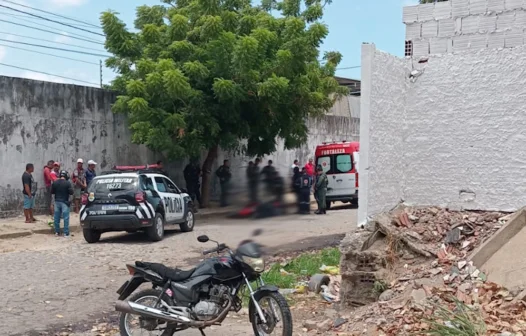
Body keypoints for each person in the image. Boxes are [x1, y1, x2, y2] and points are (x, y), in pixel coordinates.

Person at [51, 170, 73, 237]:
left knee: (56, 217)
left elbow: (52, 192)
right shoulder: (68, 183)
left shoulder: (55, 183)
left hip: (57, 201)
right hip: (65, 202)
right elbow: (71, 193)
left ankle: (57, 232)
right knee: (66, 218)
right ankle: (66, 233)